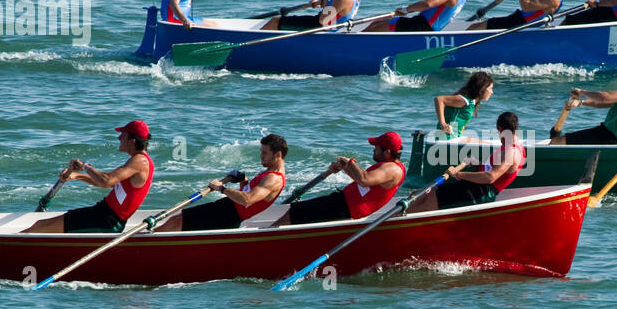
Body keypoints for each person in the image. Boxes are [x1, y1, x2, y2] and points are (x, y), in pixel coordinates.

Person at [25, 120, 155, 233]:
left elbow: (106, 181)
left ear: (132, 141)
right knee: (41, 225)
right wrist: (76, 176)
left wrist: (85, 165)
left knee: (40, 226)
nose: (119, 138)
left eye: (123, 135)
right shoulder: (136, 161)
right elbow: (104, 181)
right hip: (101, 212)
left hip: (107, 221)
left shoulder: (140, 161)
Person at [272, 132, 407, 227]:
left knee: (295, 212)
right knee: (298, 213)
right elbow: (365, 185)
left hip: (345, 207)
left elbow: (364, 179)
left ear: (387, 152)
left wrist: (349, 162)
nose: (373, 150)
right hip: (343, 204)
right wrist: (345, 167)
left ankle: (270, 235)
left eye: (376, 148)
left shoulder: (392, 169)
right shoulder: (387, 167)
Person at [156, 134, 288, 231]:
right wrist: (243, 180)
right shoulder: (269, 172)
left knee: (177, 222)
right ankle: (150, 237)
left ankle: (147, 241)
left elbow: (247, 200)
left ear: (278, 154)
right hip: (227, 207)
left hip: (228, 215)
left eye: (265, 152)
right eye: (261, 152)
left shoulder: (274, 179)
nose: (261, 156)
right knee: (177, 219)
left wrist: (221, 188)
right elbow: (247, 192)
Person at [414, 112, 526, 212]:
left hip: (481, 192)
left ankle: (400, 223)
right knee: (424, 193)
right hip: (475, 186)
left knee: (429, 202)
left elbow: (491, 177)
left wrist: (457, 174)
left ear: (500, 129)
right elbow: (495, 168)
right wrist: (477, 163)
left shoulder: (511, 151)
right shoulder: (510, 145)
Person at [550, 53, 617, 145]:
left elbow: (604, 98)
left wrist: (582, 92)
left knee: (557, 142)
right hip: (605, 133)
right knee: (559, 141)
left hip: (608, 137)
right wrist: (581, 103)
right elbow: (604, 103)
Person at [434, 71, 494, 138]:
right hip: (446, 138)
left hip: (453, 137)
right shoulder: (465, 100)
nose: (492, 92)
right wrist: (443, 124)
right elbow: (439, 99)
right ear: (482, 88)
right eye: (490, 89)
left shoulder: (472, 102)